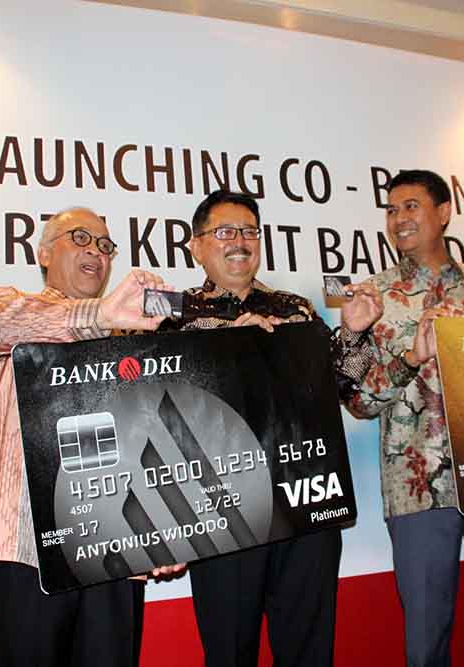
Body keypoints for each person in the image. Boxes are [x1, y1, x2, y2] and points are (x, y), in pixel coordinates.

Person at [162, 189, 383, 667]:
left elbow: (339, 387)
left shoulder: (295, 309)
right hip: (220, 512)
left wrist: (354, 332)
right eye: (224, 231)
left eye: (249, 231)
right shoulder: (171, 316)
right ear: (196, 246)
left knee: (308, 649)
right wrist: (225, 349)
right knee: (229, 651)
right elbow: (154, 410)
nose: (239, 241)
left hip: (306, 505)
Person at [347, 169, 464, 667]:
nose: (399, 219)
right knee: (426, 627)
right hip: (416, 485)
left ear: (444, 212)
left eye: (411, 206)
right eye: (391, 210)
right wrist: (411, 357)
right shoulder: (372, 297)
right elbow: (360, 402)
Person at [0, 207, 172, 667]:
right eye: (80, 238)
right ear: (44, 253)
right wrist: (100, 313)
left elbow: (148, 441)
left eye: (104, 245)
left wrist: (166, 530)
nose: (95, 252)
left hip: (115, 550)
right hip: (26, 550)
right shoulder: (8, 306)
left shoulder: (128, 341)